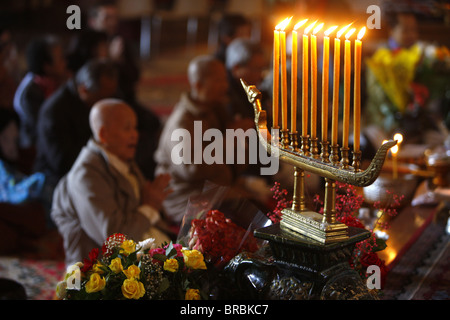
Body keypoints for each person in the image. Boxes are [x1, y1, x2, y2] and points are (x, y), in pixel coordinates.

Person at [51, 99, 171, 267]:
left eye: (135, 128)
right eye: (127, 128)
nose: (134, 134)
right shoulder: (86, 175)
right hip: (99, 273)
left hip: (135, 253)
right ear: (103, 134)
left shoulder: (122, 160)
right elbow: (114, 240)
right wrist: (150, 206)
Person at [155, 55, 250, 226]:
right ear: (198, 85)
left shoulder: (214, 110)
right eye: (219, 81)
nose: (226, 86)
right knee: (242, 227)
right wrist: (229, 138)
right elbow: (191, 169)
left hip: (218, 192)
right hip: (188, 200)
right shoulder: (182, 121)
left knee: (262, 216)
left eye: (225, 80)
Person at [87, 1, 161, 179]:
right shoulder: (88, 44)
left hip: (125, 100)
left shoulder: (120, 42)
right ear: (93, 21)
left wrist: (119, 62)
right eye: (107, 18)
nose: (112, 23)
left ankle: (142, 170)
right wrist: (109, 61)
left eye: (114, 18)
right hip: (100, 105)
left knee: (153, 123)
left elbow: (134, 76)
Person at [34, 59, 118, 190]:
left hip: (95, 167)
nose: (106, 103)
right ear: (84, 90)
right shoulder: (55, 111)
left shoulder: (98, 96)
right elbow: (62, 162)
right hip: (58, 179)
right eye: (101, 98)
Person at [13, 35, 68, 149]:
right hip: (34, 149)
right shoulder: (30, 92)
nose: (65, 62)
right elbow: (44, 128)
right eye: (61, 58)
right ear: (47, 66)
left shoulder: (53, 83)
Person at [225, 37, 267, 120]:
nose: (260, 75)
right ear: (236, 68)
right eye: (255, 69)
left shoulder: (259, 89)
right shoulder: (225, 96)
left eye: (261, 69)